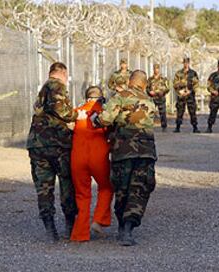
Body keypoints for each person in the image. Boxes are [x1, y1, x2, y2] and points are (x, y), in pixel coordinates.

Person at [90, 70, 157, 246]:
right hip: (145, 151)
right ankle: (128, 228)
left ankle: (122, 225)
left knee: (122, 188)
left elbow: (105, 119)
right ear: (144, 84)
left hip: (123, 151)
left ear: (130, 82)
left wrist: (94, 119)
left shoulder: (120, 96)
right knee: (140, 188)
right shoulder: (150, 101)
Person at [26, 62, 77, 242]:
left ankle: (50, 229)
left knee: (44, 188)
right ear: (62, 73)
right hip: (57, 145)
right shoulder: (56, 86)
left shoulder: (42, 90)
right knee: (67, 184)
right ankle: (70, 226)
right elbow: (63, 111)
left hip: (37, 145)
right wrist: (76, 115)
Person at [70, 86, 114, 242]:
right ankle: (99, 220)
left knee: (82, 194)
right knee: (107, 187)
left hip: (77, 157)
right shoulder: (103, 114)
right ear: (100, 98)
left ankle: (80, 234)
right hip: (98, 157)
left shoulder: (75, 112)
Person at [173, 57, 200, 133]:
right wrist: (180, 91)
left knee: (192, 111)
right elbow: (175, 84)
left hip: (190, 95)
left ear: (189, 63)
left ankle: (195, 127)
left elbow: (196, 84)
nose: (186, 64)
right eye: (185, 63)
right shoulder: (178, 73)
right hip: (181, 95)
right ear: (183, 63)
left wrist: (190, 91)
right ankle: (177, 127)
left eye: (187, 63)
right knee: (180, 111)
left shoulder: (193, 73)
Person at [147, 64, 170, 132]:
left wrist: (162, 92)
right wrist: (150, 92)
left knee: (162, 113)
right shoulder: (150, 79)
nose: (156, 70)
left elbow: (167, 88)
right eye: (155, 68)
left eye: (157, 68)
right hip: (153, 98)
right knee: (150, 113)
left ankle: (164, 127)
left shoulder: (163, 79)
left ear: (159, 69)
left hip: (161, 98)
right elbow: (147, 88)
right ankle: (149, 126)